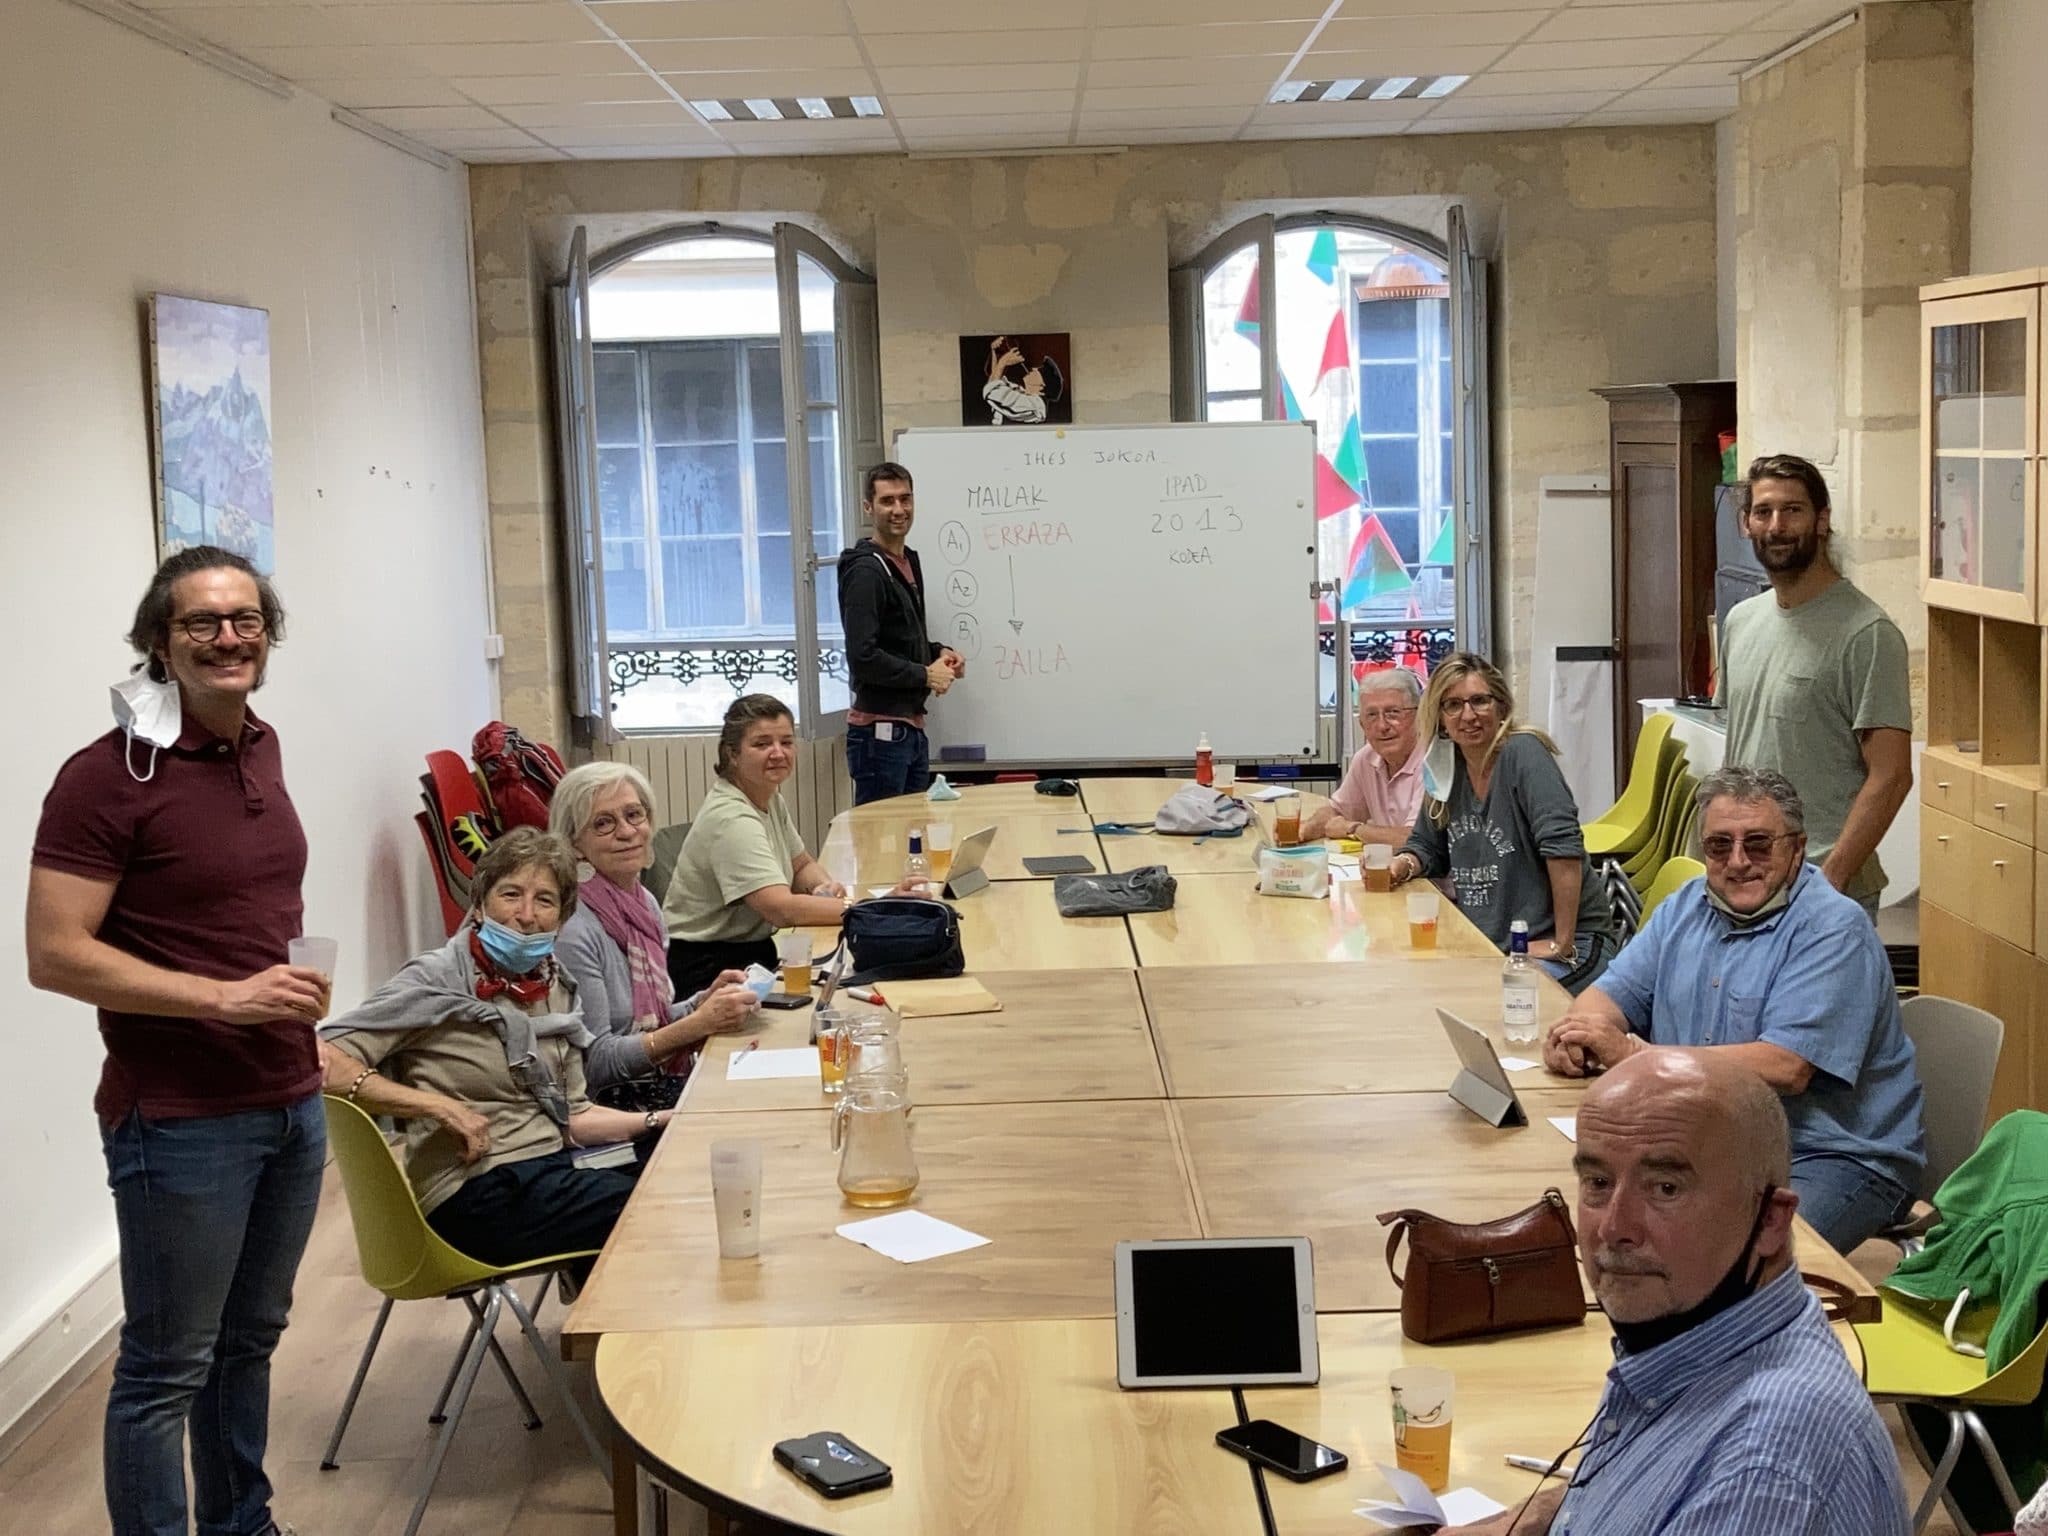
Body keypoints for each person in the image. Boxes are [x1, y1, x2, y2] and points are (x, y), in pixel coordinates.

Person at [27, 546, 329, 1536]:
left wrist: (279, 997)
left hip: (290, 1096)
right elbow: (55, 955)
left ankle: (243, 1523)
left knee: (248, 1342)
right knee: (166, 1368)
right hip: (182, 1119)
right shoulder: (104, 778)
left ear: (267, 633)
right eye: (201, 622)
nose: (227, 637)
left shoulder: (261, 746)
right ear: (159, 641)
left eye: (245, 619)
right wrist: (220, 998)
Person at [1442, 1049, 1910, 1536]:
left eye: (1665, 1188)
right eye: (1598, 1182)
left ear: (1771, 1221)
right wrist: (1538, 1517)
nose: (1615, 1227)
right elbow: (1665, 1481)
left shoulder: (1763, 1468)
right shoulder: (1693, 1334)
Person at [1543, 766, 1925, 1254]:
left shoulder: (1833, 929)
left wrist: (1640, 1057)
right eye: (1720, 846)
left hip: (1831, 1153)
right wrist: (1579, 1032)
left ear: (1797, 849)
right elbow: (1611, 995)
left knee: (1725, 1260)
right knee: (1597, 1224)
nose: (1738, 862)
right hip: (1711, 1139)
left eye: (1759, 844)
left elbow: (1786, 1067)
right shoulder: (1685, 908)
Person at [321, 829, 671, 1272]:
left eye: (544, 901)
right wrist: (434, 1106)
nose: (525, 915)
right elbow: (320, 1057)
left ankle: (602, 1331)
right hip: (476, 1192)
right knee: (656, 1206)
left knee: (679, 1167)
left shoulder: (556, 985)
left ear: (562, 917)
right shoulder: (436, 980)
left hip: (555, 1164)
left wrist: (661, 1122)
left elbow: (575, 1116)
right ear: (481, 902)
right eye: (511, 894)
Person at [1720, 454, 1912, 915]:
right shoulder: (1741, 622)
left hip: (1823, 890)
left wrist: (1831, 880)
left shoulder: (1867, 634)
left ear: (1822, 521)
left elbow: (1892, 776)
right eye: (1763, 512)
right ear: (1746, 524)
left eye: (1793, 510)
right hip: (1748, 881)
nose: (1777, 525)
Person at [1390, 652, 1618, 993]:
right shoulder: (1445, 766)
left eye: (1479, 701)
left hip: (1571, 946)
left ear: (1501, 706)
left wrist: (1562, 941)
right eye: (1453, 705)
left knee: (1497, 1004)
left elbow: (1563, 851)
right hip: (1496, 948)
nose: (1468, 715)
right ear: (1439, 716)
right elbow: (1427, 845)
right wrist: (1402, 864)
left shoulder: (1523, 752)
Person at [665, 695, 920, 996]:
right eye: (762, 744)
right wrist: (871, 909)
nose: (778, 753)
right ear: (732, 754)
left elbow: (801, 865)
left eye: (786, 742)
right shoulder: (731, 818)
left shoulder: (768, 795)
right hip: (708, 967)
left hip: (747, 950)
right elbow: (781, 910)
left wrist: (823, 887)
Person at [549, 760, 760, 1106]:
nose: (627, 832)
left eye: (634, 815)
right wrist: (697, 1025)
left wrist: (700, 1003)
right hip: (607, 1107)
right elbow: (596, 1064)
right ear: (574, 843)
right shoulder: (573, 927)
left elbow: (649, 1022)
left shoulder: (642, 901)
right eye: (603, 823)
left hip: (650, 1083)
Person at [836, 461, 964, 805]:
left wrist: (938, 653)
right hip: (880, 736)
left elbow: (901, 636)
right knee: (881, 845)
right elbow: (863, 656)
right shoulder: (866, 571)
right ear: (868, 508)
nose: (898, 510)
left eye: (905, 499)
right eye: (887, 501)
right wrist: (925, 674)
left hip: (909, 731)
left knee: (912, 841)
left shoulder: (906, 561)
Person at [1302, 667, 1425, 845]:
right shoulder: (1366, 758)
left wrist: (1353, 829)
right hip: (1388, 867)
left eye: (1393, 712)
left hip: (1430, 871)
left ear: (1417, 716)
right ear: (1362, 725)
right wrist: (1305, 829)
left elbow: (1415, 840)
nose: (1382, 725)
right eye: (1372, 715)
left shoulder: (1432, 762)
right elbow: (1337, 812)